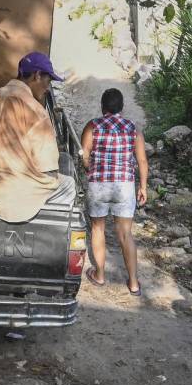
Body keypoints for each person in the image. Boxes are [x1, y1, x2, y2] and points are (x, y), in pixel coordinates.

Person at [0, 52, 73, 223]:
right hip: (22, 199)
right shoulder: (36, 111)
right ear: (37, 75)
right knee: (68, 185)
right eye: (48, 81)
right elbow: (48, 168)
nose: (47, 87)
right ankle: (46, 232)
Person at [80, 88, 148, 295]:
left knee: (98, 229)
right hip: (124, 186)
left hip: (99, 184)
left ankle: (100, 275)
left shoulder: (93, 126)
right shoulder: (133, 128)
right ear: (122, 107)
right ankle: (134, 283)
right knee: (125, 234)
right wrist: (143, 186)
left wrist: (89, 169)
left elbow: (84, 154)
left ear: (102, 107)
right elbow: (142, 160)